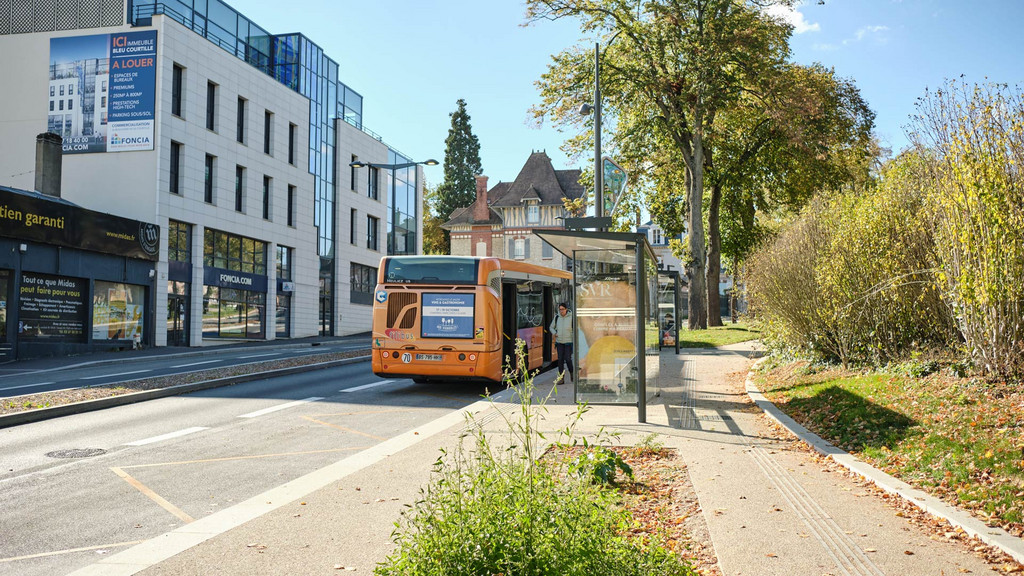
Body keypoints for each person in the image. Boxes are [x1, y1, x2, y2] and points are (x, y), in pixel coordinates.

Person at [549, 302, 574, 384]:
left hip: (568, 342)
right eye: (560, 309)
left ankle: (572, 373)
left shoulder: (572, 317)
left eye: (563, 309)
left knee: (568, 359)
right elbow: (551, 327)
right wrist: (554, 333)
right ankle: (561, 379)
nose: (561, 311)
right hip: (559, 342)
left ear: (566, 309)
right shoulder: (557, 317)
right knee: (560, 360)